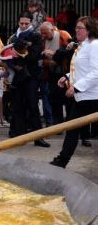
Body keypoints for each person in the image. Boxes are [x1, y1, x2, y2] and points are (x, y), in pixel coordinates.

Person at [50, 16, 98, 168]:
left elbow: (96, 72)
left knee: (73, 128)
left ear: (89, 30)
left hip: (93, 96)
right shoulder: (82, 46)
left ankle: (62, 160)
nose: (76, 30)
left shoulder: (94, 45)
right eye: (76, 28)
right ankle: (62, 160)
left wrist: (76, 87)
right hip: (83, 95)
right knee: (72, 128)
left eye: (80, 28)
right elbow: (80, 71)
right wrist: (66, 77)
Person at [7, 11, 50, 147]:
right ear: (18, 23)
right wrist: (14, 65)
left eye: (26, 23)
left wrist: (20, 53)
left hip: (31, 77)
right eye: (22, 23)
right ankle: (20, 137)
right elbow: (7, 56)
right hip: (17, 77)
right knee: (18, 107)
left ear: (31, 22)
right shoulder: (13, 37)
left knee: (33, 106)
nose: (24, 26)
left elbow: (35, 55)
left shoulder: (36, 36)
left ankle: (38, 138)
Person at [39, 22, 72, 127]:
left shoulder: (63, 35)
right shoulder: (43, 41)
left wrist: (54, 55)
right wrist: (49, 62)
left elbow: (71, 52)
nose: (43, 36)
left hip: (64, 72)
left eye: (45, 33)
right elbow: (40, 60)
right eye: (42, 34)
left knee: (67, 99)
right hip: (51, 74)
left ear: (52, 30)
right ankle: (58, 123)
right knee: (54, 99)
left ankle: (69, 123)